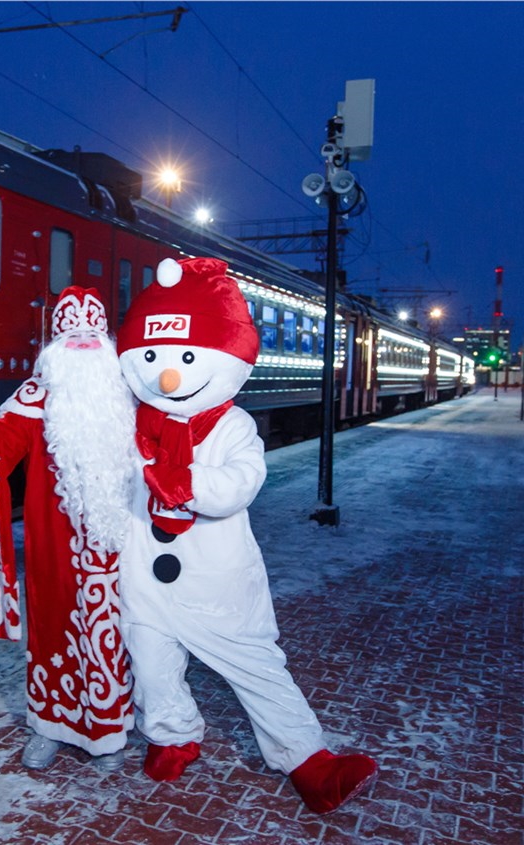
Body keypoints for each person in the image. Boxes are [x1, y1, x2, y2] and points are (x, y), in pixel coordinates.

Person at [116, 257, 378, 814]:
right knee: (152, 665)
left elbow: (242, 482)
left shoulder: (233, 425)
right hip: (144, 580)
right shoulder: (131, 424)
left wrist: (186, 483)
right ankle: (172, 734)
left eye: (187, 358)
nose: (169, 375)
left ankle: (307, 759)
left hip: (217, 583)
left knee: (255, 667)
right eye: (155, 357)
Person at [0, 286, 138, 771]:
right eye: (74, 334)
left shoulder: (126, 391)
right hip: (53, 549)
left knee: (117, 637)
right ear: (55, 344)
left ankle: (108, 734)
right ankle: (49, 726)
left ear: (106, 339)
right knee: (50, 635)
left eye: (94, 332)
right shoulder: (35, 395)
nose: (85, 342)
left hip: (120, 546)